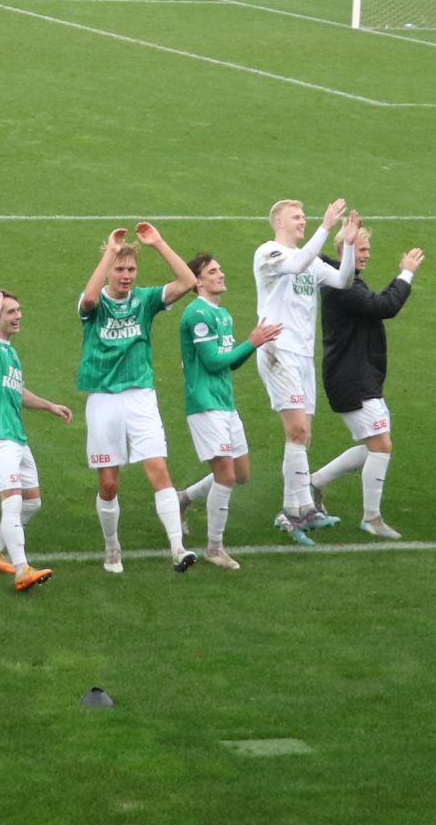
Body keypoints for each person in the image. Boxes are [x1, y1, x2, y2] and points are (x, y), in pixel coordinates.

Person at [77, 225, 201, 574]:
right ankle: (112, 547)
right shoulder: (95, 302)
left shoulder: (145, 300)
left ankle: (177, 547)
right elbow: (88, 299)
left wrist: (159, 243)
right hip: (103, 399)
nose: (126, 276)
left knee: (158, 468)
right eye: (120, 269)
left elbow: (189, 282)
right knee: (109, 482)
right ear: (109, 271)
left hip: (140, 396)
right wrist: (109, 253)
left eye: (131, 269)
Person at [252, 198, 357, 543]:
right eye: (297, 217)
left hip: (302, 356)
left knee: (302, 434)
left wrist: (351, 245)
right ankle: (294, 511)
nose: (303, 221)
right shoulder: (269, 253)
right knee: (297, 430)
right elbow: (296, 265)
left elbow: (343, 280)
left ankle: (300, 509)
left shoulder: (310, 261)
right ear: (279, 221)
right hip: (277, 350)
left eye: (305, 217)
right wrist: (326, 227)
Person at [310, 225, 423, 539]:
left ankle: (315, 482)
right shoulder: (341, 284)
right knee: (381, 445)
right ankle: (371, 518)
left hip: (359, 376)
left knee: (375, 445)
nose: (367, 255)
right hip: (351, 378)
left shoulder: (345, 280)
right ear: (345, 249)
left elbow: (376, 303)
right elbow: (383, 306)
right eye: (361, 250)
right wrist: (406, 274)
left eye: (368, 250)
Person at [176, 254, 283, 570]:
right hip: (204, 404)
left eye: (220, 268)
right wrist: (252, 341)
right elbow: (211, 361)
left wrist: (254, 343)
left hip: (225, 402)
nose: (221, 274)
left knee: (240, 474)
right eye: (212, 271)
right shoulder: (196, 314)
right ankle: (214, 547)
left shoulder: (222, 315)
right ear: (198, 281)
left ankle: (183, 498)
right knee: (225, 475)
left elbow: (231, 362)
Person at [0, 289, 73, 591]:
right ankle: (21, 568)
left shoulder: (11, 353)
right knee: (13, 501)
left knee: (32, 502)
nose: (18, 316)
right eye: (10, 311)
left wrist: (49, 406)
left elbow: (18, 392)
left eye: (18, 310)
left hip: (16, 435)